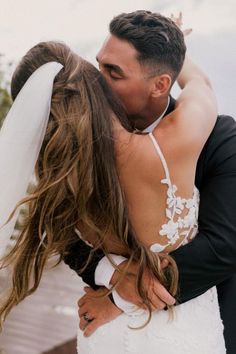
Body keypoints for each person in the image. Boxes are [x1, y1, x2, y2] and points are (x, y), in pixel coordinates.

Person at [61, 11, 236, 353]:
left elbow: (224, 246)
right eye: (100, 66)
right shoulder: (83, 137)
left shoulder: (219, 137)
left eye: (113, 73)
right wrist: (107, 275)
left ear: (160, 84)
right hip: (104, 331)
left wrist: (120, 300)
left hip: (188, 328)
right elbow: (62, 231)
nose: (98, 82)